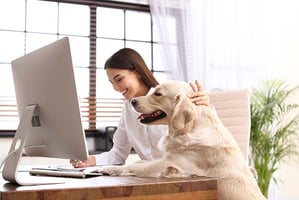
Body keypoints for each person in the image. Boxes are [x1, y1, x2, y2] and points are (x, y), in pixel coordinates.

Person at [70, 48, 210, 168]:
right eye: (112, 83)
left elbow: (202, 139)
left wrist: (205, 107)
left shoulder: (170, 97)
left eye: (119, 79)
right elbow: (118, 154)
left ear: (136, 71)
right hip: (148, 177)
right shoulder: (128, 109)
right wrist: (91, 160)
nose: (116, 88)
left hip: (178, 176)